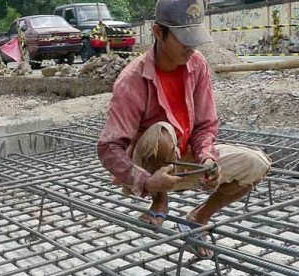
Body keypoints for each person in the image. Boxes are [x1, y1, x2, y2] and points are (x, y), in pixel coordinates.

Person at [97, 0, 271, 258]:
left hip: (186, 159)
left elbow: (204, 125)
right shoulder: (132, 80)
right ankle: (160, 199)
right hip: (147, 166)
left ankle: (197, 218)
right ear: (158, 32)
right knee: (163, 132)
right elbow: (108, 147)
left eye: (194, 37)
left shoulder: (197, 65)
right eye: (183, 38)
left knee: (257, 163)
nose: (191, 46)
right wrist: (146, 180)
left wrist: (207, 158)